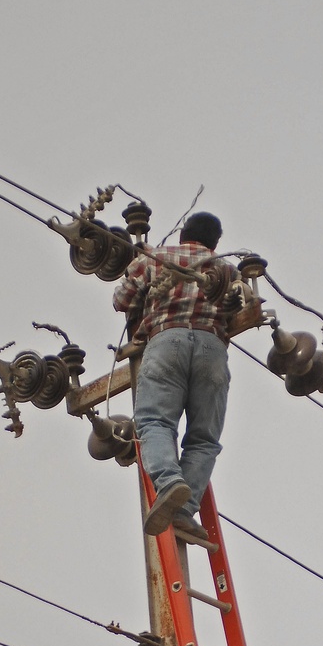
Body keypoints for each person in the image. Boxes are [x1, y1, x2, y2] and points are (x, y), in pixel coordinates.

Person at [112, 212, 237, 541]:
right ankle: (183, 510)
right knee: (204, 438)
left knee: (154, 421)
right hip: (212, 349)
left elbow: (121, 300)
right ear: (215, 243)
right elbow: (241, 308)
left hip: (168, 342)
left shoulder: (158, 256)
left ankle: (169, 483)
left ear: (184, 234)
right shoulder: (227, 269)